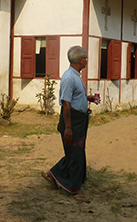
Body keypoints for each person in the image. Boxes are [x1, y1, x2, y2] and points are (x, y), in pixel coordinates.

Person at [41, 46, 98, 203]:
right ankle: (75, 190)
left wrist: (88, 98)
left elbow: (74, 97)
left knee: (77, 153)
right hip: (71, 121)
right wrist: (68, 127)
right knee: (74, 155)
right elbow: (66, 104)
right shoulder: (68, 78)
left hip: (79, 120)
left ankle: (53, 175)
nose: (87, 60)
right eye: (86, 58)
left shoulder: (76, 76)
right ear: (80, 60)